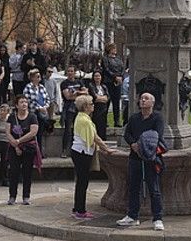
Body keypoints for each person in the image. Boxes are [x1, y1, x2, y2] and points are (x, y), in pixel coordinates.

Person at [117, 92, 167, 231]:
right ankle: (132, 216)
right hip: (135, 157)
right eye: (141, 99)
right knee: (133, 187)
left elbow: (157, 134)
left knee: (154, 189)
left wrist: (144, 144)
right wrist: (133, 143)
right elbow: (127, 133)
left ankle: (157, 218)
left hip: (151, 157)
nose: (143, 101)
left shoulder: (157, 118)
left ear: (152, 103)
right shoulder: (134, 118)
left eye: (146, 99)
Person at [70, 94, 111, 219]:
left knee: (81, 181)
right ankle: (80, 211)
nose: (93, 106)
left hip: (78, 151)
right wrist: (106, 149)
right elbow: (94, 138)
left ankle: (77, 207)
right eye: (91, 104)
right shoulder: (84, 120)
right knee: (83, 182)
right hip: (82, 152)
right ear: (86, 106)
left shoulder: (81, 117)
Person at [5, 95, 40, 205]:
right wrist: (15, 145)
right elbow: (7, 132)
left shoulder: (32, 116)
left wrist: (19, 141)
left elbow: (33, 132)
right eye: (21, 102)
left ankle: (26, 196)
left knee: (27, 172)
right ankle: (12, 196)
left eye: (25, 102)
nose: (24, 104)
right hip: (14, 147)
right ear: (16, 105)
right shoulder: (11, 117)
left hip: (28, 147)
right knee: (13, 172)